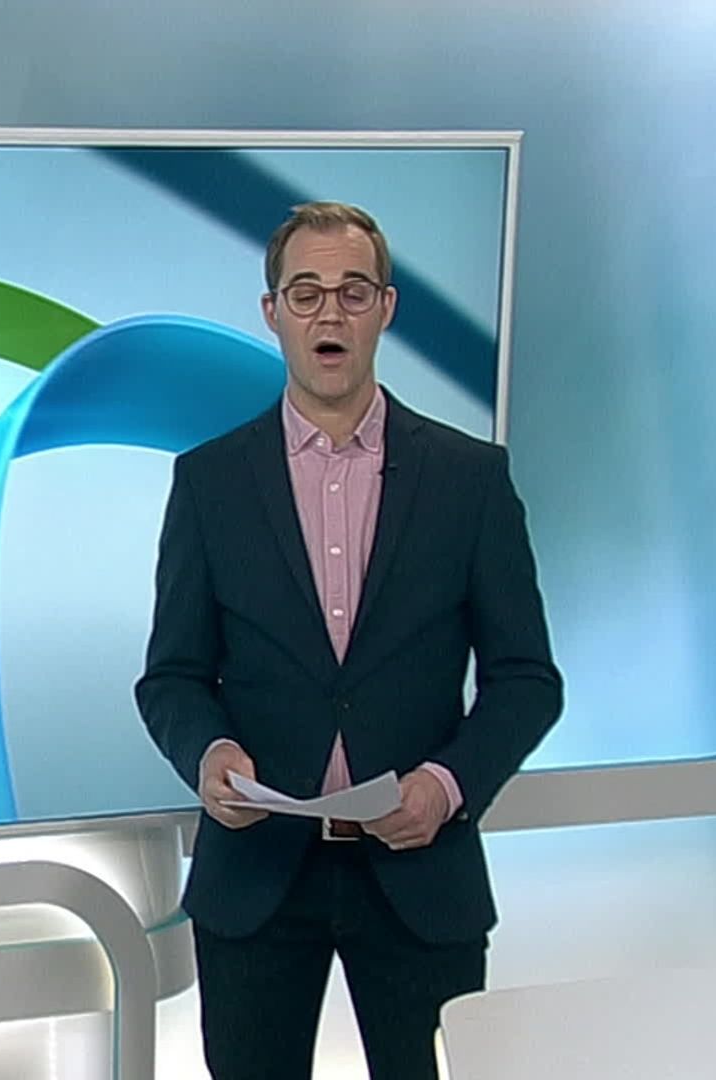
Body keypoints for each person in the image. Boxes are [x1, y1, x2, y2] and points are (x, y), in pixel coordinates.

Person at [135, 201, 563, 1080]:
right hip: (257, 879)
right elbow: (172, 676)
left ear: (385, 308)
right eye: (306, 292)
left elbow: (526, 679)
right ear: (273, 313)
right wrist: (209, 755)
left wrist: (446, 786)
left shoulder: (470, 479)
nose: (329, 313)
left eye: (353, 291)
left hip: (420, 878)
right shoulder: (210, 482)